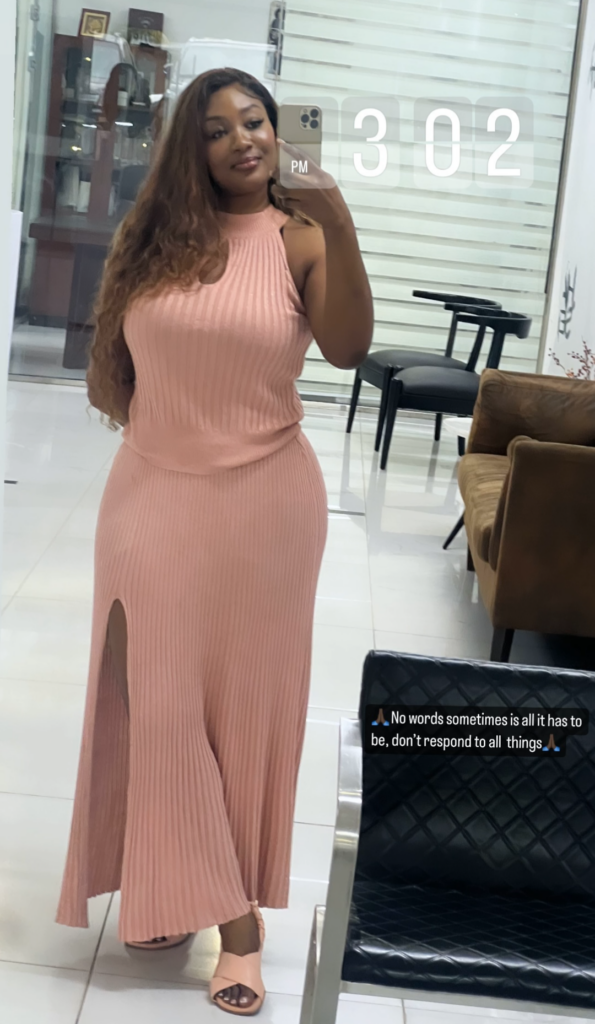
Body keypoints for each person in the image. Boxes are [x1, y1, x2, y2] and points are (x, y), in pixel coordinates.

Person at [56, 67, 373, 1016]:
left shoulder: (302, 238)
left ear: (277, 132)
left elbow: (348, 349)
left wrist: (341, 222)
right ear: (187, 151)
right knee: (156, 702)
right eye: (217, 128)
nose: (244, 139)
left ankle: (189, 891)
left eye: (256, 121)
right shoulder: (152, 238)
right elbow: (117, 365)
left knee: (237, 713)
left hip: (266, 507)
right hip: (150, 494)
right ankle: (233, 925)